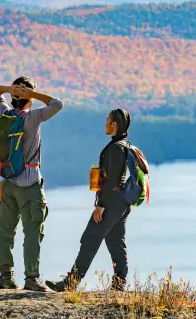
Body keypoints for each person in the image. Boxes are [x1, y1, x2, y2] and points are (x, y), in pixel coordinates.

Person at [46, 109, 133, 292]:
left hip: (111, 202)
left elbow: (112, 180)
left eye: (107, 120)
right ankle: (119, 284)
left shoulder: (117, 148)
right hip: (121, 202)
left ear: (114, 124)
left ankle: (70, 284)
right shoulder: (123, 144)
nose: (105, 123)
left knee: (90, 239)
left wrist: (100, 205)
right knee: (116, 241)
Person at [0, 76, 64, 291]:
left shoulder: (3, 114)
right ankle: (32, 278)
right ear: (29, 98)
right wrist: (32, 94)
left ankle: (5, 277)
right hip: (29, 184)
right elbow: (57, 104)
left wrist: (10, 89)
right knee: (32, 232)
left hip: (6, 184)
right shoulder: (33, 117)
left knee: (6, 232)